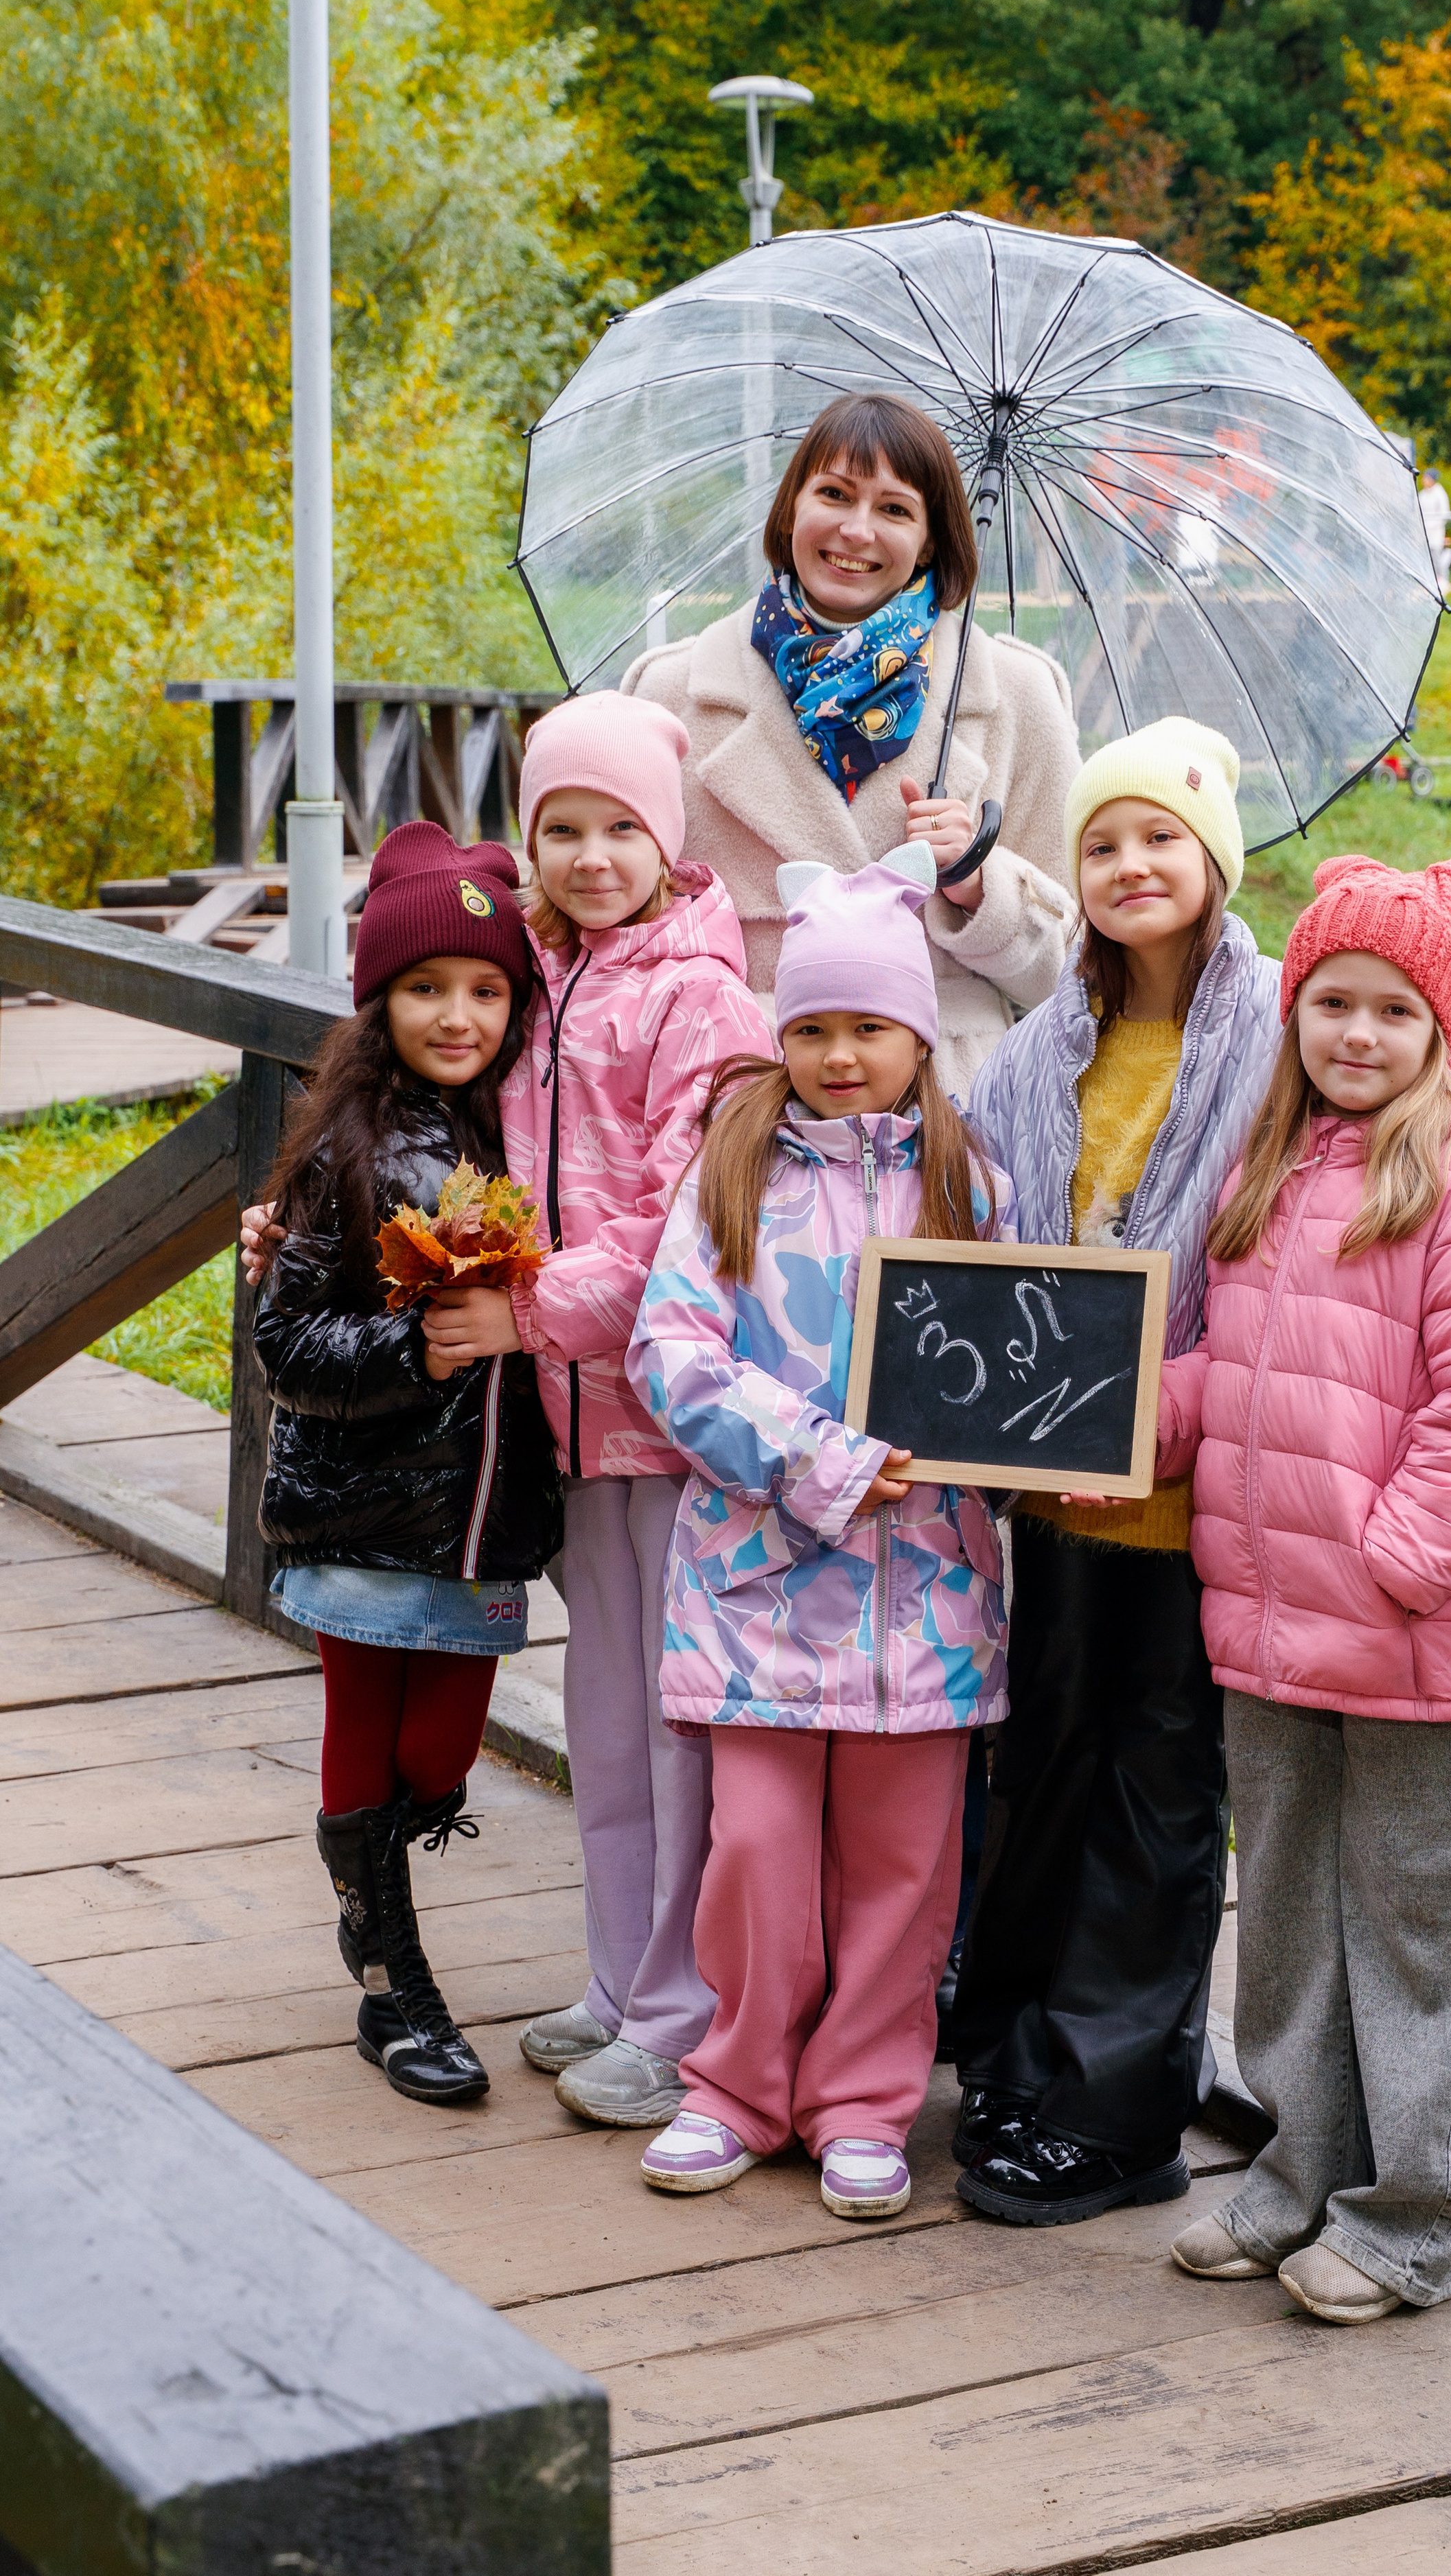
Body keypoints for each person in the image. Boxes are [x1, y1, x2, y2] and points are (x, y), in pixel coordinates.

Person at [949, 721, 1451, 2227]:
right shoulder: (1055, 1038)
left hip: (1254, 1538)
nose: (1126, 868)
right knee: (1053, 1777)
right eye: (1100, 842)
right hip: (1087, 1481)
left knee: (1170, 1808)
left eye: (1159, 839)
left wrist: (1396, 1544)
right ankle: (1033, 2062)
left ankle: (1130, 2111)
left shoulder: (1282, 1058)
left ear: (1216, 861)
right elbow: (1045, 1253)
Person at [1162, 855, 1451, 2322]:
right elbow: (1251, 1372)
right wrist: (1144, 1413)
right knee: (1279, 1924)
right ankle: (1294, 2173)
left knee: (1415, 1927)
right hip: (1269, 1630)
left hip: (1405, 1636)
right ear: (1294, 1011)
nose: (1355, 1033)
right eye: (1330, 1001)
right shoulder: (1268, 1172)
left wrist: (1390, 1566)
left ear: (1439, 1029)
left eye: (1393, 1009)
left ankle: (1413, 2215)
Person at [625, 844, 1013, 2220]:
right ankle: (735, 2084)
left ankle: (862, 2098)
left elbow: (1026, 1366)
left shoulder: (974, 1189)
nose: (838, 1055)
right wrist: (822, 1460)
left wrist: (1038, 1453)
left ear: (917, 1034)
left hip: (929, 1601)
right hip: (757, 1594)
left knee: (906, 1871)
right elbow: (668, 1355)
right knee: (759, 1851)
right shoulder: (733, 1179)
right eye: (810, 1028)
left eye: (867, 1028)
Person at [423, 693, 775, 2131]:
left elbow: (696, 1212)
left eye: (617, 828)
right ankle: (619, 1979)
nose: (586, 855)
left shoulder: (700, 992)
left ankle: (689, 2013)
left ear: (663, 837)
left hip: (672, 1414)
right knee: (607, 1721)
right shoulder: (544, 977)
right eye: (558, 828)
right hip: (573, 1421)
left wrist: (535, 1309)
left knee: (683, 1728)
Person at [253, 822, 564, 2107]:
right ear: (379, 1002)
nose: (458, 1014)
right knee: (365, 1735)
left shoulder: (536, 1134)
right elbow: (287, 1342)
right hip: (365, 1513)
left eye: (487, 990)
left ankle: (366, 1879)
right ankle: (394, 1976)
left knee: (441, 1756)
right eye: (426, 989)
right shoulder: (351, 1149)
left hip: (487, 1521)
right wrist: (415, 1353)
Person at [623, 390, 1080, 1099]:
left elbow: (1072, 968)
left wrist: (975, 884)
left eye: (894, 509)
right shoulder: (673, 693)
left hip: (949, 1113)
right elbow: (613, 931)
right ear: (791, 509)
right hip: (734, 1095)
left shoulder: (1015, 694)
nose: (856, 530)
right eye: (834, 494)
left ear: (930, 539)